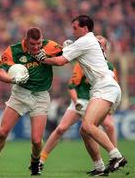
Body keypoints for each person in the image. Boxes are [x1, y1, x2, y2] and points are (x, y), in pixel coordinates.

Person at [33, 15, 127, 174]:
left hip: (105, 87)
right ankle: (99, 166)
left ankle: (116, 156)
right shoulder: (89, 41)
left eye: (75, 27)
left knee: (88, 126)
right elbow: (67, 54)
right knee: (85, 130)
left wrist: (42, 58)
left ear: (85, 28)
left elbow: (61, 61)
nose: (72, 30)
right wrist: (67, 48)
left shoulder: (85, 41)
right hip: (103, 87)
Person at [0, 27, 62, 176]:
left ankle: (35, 163)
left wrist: (46, 58)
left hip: (41, 96)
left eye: (39, 43)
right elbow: (0, 75)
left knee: (36, 140)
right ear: (26, 40)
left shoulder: (49, 46)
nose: (36, 47)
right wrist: (13, 79)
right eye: (33, 44)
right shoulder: (13, 50)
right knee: (2, 132)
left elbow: (63, 60)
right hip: (20, 94)